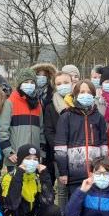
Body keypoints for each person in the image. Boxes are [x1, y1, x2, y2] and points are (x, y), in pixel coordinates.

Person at [1, 144, 64, 216]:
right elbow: (12, 204)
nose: (32, 162)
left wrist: (45, 176)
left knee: (54, 210)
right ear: (20, 160)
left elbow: (48, 200)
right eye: (28, 159)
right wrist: (19, 174)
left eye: (35, 159)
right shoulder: (8, 178)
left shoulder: (35, 177)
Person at [55, 80, 109, 198]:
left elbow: (104, 144)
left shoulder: (99, 117)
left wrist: (104, 169)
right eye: (82, 92)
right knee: (75, 205)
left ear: (93, 95)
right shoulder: (66, 117)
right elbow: (60, 148)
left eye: (89, 92)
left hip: (95, 174)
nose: (86, 94)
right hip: (74, 174)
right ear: (75, 95)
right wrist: (63, 172)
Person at [0, 68, 46, 173]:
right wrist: (9, 152)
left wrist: (41, 153)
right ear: (20, 84)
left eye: (32, 82)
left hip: (34, 158)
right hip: (16, 158)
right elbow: (2, 130)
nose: (29, 84)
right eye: (26, 82)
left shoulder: (37, 105)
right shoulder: (10, 102)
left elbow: (41, 130)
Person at [43, 72, 73, 207]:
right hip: (59, 154)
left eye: (66, 82)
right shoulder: (50, 106)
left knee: (76, 187)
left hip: (77, 152)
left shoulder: (78, 103)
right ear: (54, 86)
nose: (63, 86)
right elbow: (48, 130)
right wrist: (59, 148)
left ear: (72, 83)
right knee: (62, 188)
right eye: (59, 83)